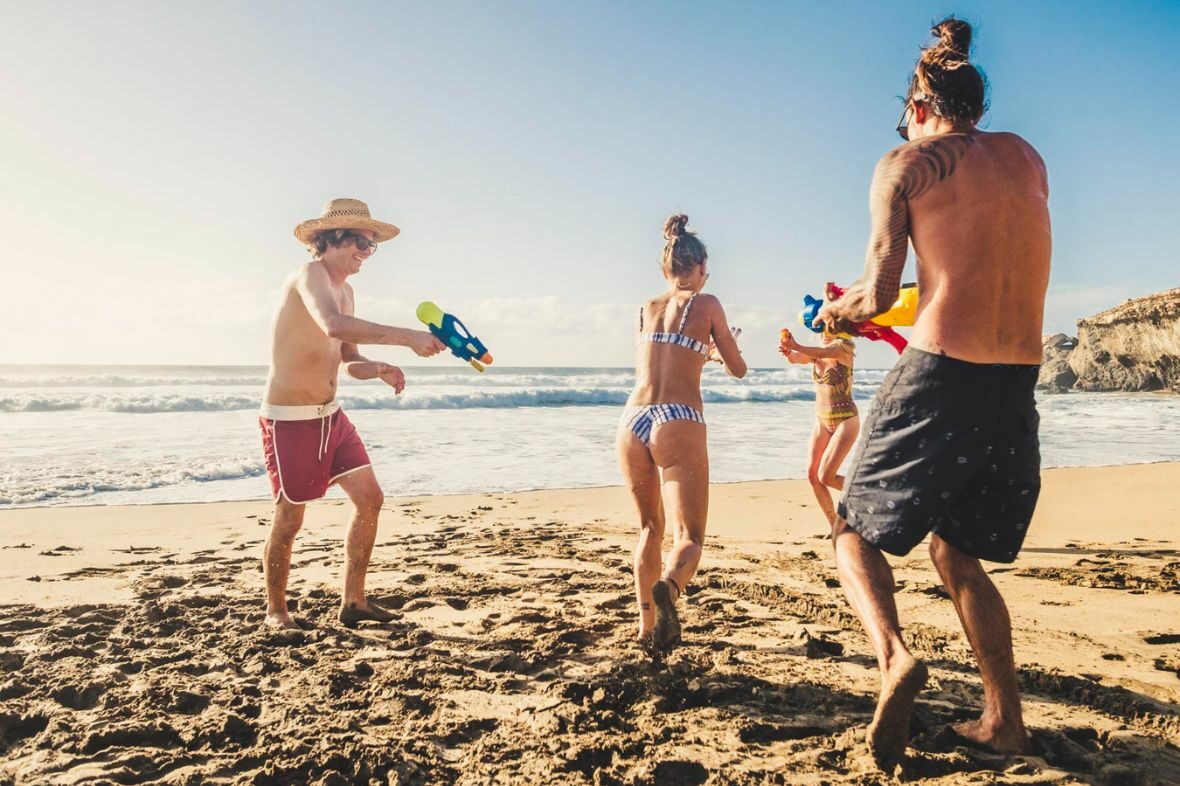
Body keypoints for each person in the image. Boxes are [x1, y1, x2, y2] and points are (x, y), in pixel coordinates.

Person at [813, 18, 1050, 769]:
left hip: (942, 372)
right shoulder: (1027, 157)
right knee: (958, 553)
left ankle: (894, 659)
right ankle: (1003, 719)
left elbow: (881, 293)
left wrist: (835, 312)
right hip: (1017, 380)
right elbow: (975, 257)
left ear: (918, 106)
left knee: (852, 530)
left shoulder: (905, 164)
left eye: (905, 117)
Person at [259, 198, 445, 630]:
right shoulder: (310, 275)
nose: (367, 251)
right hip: (290, 419)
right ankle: (276, 612)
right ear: (332, 238)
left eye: (372, 244)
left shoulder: (347, 291)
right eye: (362, 242)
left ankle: (354, 602)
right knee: (290, 518)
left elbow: (348, 357)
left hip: (331, 417)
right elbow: (333, 325)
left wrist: (377, 368)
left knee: (370, 499)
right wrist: (408, 337)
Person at [618, 214, 747, 657]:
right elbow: (738, 368)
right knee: (689, 537)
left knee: (648, 528)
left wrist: (699, 354)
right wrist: (722, 353)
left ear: (666, 267)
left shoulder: (645, 307)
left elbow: (664, 357)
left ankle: (645, 627)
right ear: (703, 266)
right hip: (677, 417)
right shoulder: (707, 303)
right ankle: (669, 590)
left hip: (632, 418)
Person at [780, 321, 859, 530]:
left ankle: (867, 493)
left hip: (846, 420)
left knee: (827, 476)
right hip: (822, 420)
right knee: (813, 475)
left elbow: (824, 352)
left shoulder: (844, 347)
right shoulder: (817, 353)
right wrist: (789, 352)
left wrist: (797, 346)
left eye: (829, 329)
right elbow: (798, 359)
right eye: (821, 329)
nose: (824, 332)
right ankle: (835, 526)